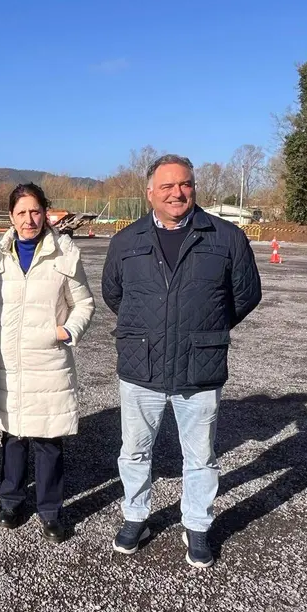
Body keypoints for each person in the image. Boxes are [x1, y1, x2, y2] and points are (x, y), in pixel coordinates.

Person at [101, 154, 262, 568]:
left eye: (185, 184)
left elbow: (246, 295)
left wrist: (206, 326)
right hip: (142, 366)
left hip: (199, 367)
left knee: (201, 455)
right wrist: (148, 328)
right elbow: (113, 294)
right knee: (134, 452)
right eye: (167, 186)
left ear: (194, 188)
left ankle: (197, 524)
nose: (177, 192)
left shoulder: (226, 237)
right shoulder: (126, 241)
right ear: (149, 192)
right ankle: (136, 516)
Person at [0, 183, 95, 543]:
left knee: (48, 438)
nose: (28, 220)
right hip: (9, 362)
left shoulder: (65, 254)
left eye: (35, 211)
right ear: (10, 216)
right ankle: (11, 501)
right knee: (13, 435)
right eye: (21, 213)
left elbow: (84, 303)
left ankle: (50, 510)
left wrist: (66, 331)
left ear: (46, 212)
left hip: (49, 361)